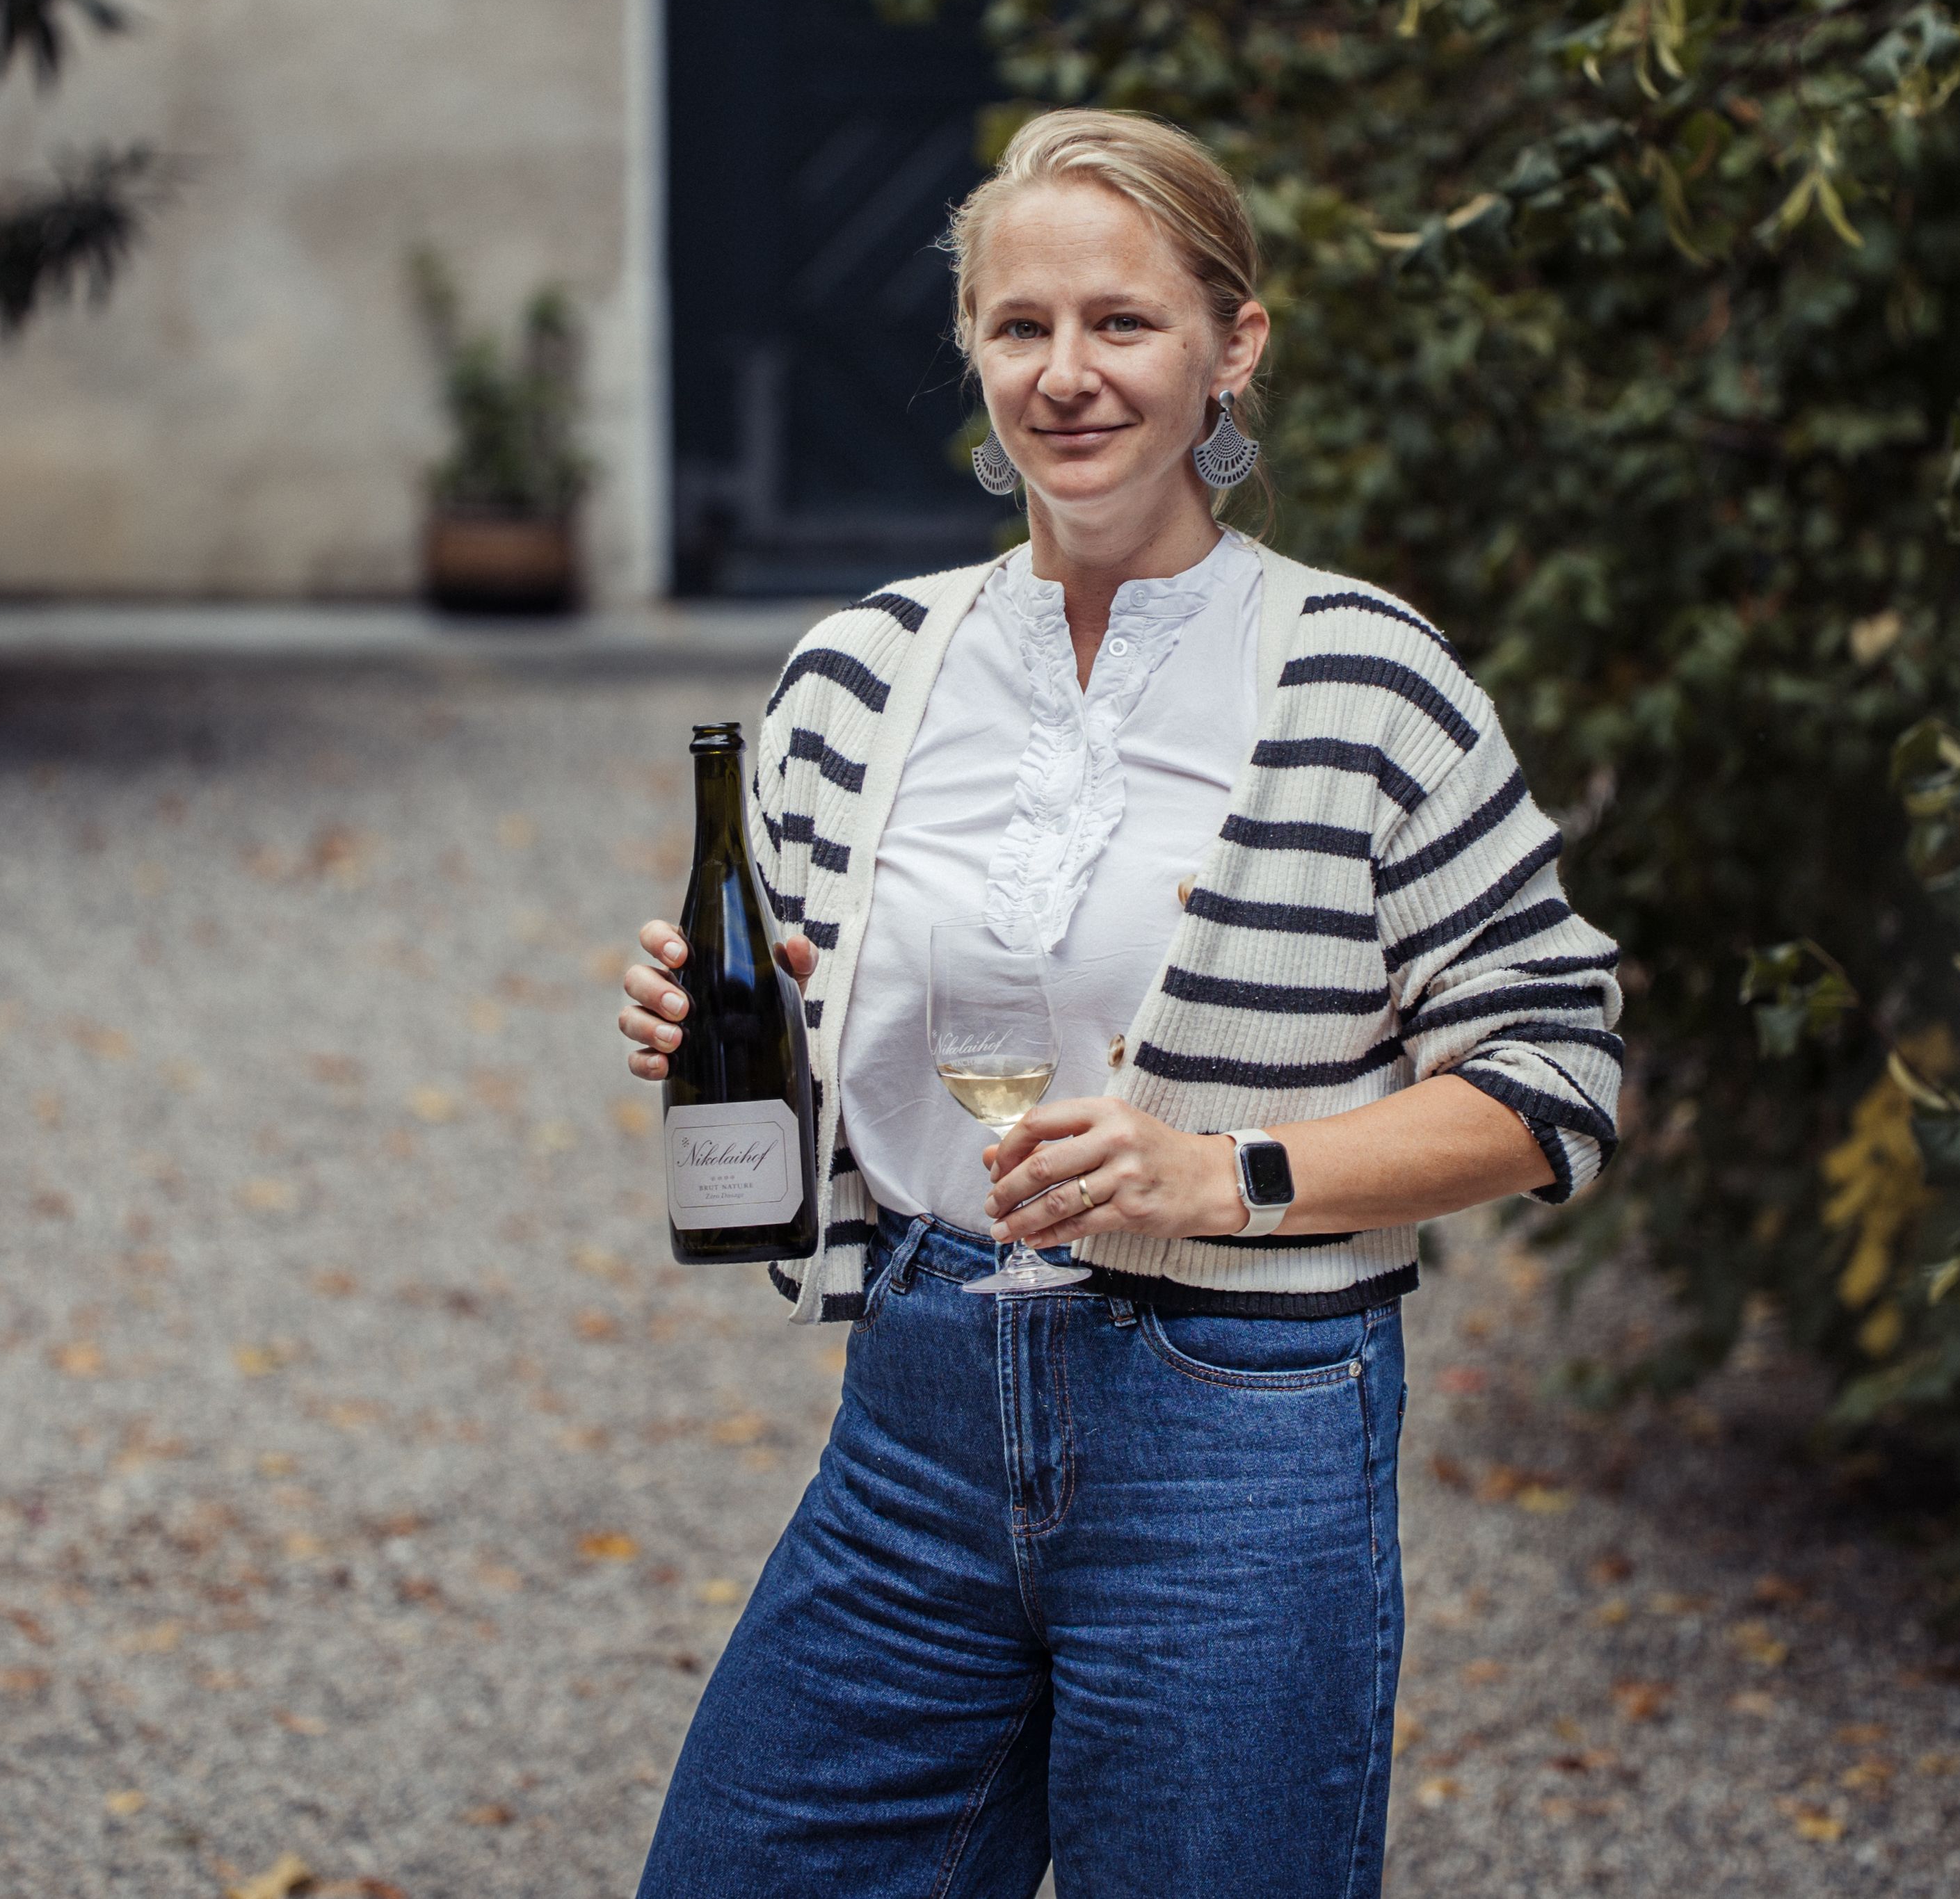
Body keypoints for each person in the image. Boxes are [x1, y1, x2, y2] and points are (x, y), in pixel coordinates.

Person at [613, 108, 1624, 1899]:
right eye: (1020, 328)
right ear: (975, 352)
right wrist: (720, 1012)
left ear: (1234, 344)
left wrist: (1221, 1176)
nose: (1064, 374)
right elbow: (806, 998)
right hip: (918, 1408)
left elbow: (1557, 1071)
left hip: (1238, 1430)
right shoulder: (855, 675)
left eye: (1121, 323)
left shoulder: (1366, 679)